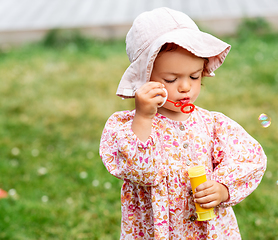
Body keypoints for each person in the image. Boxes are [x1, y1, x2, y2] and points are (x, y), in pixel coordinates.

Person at [99, 7, 267, 239]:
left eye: (194, 76)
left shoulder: (213, 124)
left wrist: (223, 188)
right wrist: (144, 117)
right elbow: (141, 171)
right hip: (158, 231)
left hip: (208, 230)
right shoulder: (129, 128)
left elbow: (250, 159)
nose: (185, 87)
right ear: (144, 79)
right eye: (171, 79)